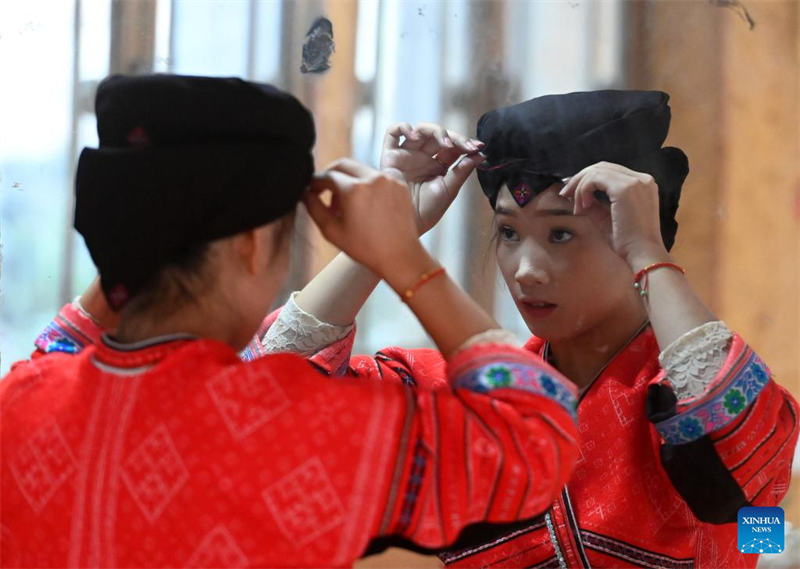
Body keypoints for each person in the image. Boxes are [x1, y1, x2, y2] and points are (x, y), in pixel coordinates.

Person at [0, 75, 581, 569]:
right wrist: (403, 259)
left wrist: (145, 235)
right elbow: (537, 437)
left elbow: (61, 344)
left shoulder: (20, 402)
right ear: (253, 248)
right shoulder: (300, 431)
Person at [255, 91, 799, 568]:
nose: (525, 268)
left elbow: (745, 463)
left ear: (630, 237)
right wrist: (385, 233)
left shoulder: (681, 399)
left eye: (560, 235)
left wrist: (650, 256)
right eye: (510, 234)